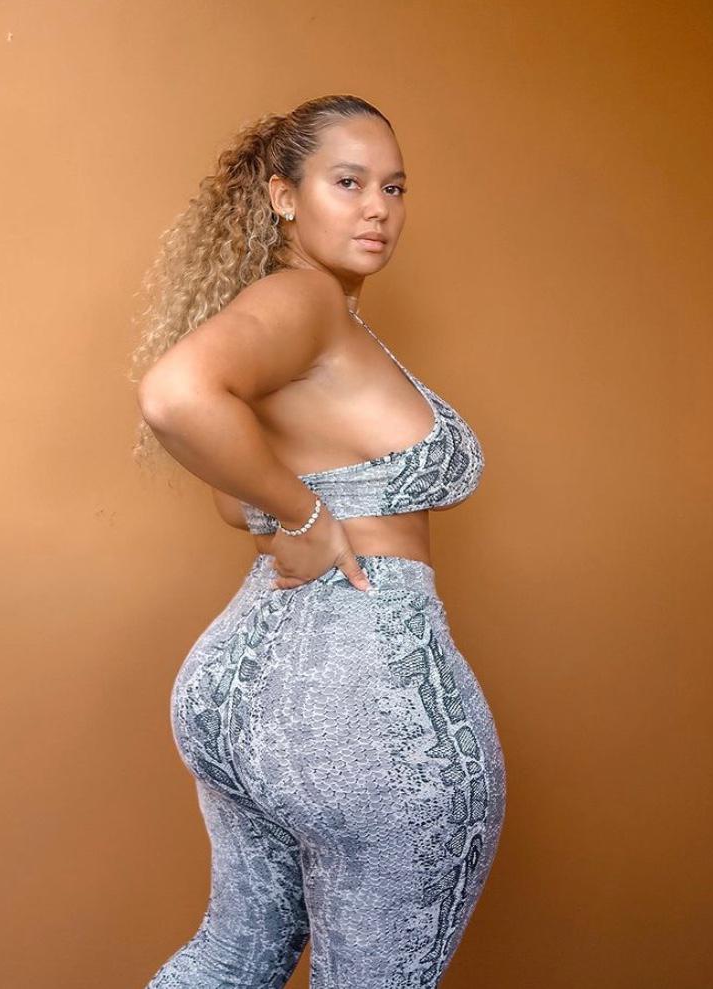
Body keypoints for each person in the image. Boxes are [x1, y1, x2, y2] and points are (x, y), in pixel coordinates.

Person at [129, 94, 506, 989]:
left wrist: (286, 508)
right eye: (348, 182)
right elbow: (177, 396)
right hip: (362, 702)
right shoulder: (305, 299)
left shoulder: (302, 319)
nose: (378, 208)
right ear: (283, 196)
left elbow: (236, 505)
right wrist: (305, 519)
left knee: (229, 959)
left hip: (239, 692)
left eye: (394, 188)